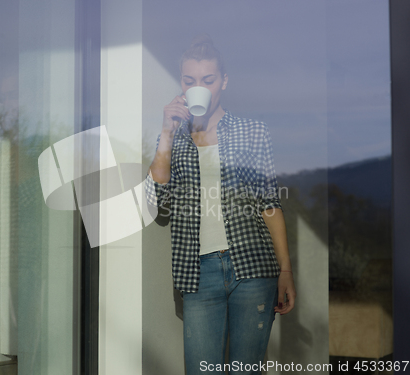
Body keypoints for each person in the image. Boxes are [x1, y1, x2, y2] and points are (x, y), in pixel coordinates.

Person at [145, 34, 296, 375]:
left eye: (208, 80)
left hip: (253, 269)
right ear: (181, 85)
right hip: (197, 273)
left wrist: (285, 270)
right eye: (190, 81)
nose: (199, 87)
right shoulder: (172, 139)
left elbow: (270, 204)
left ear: (224, 81)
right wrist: (166, 134)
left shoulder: (253, 132)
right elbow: (155, 201)